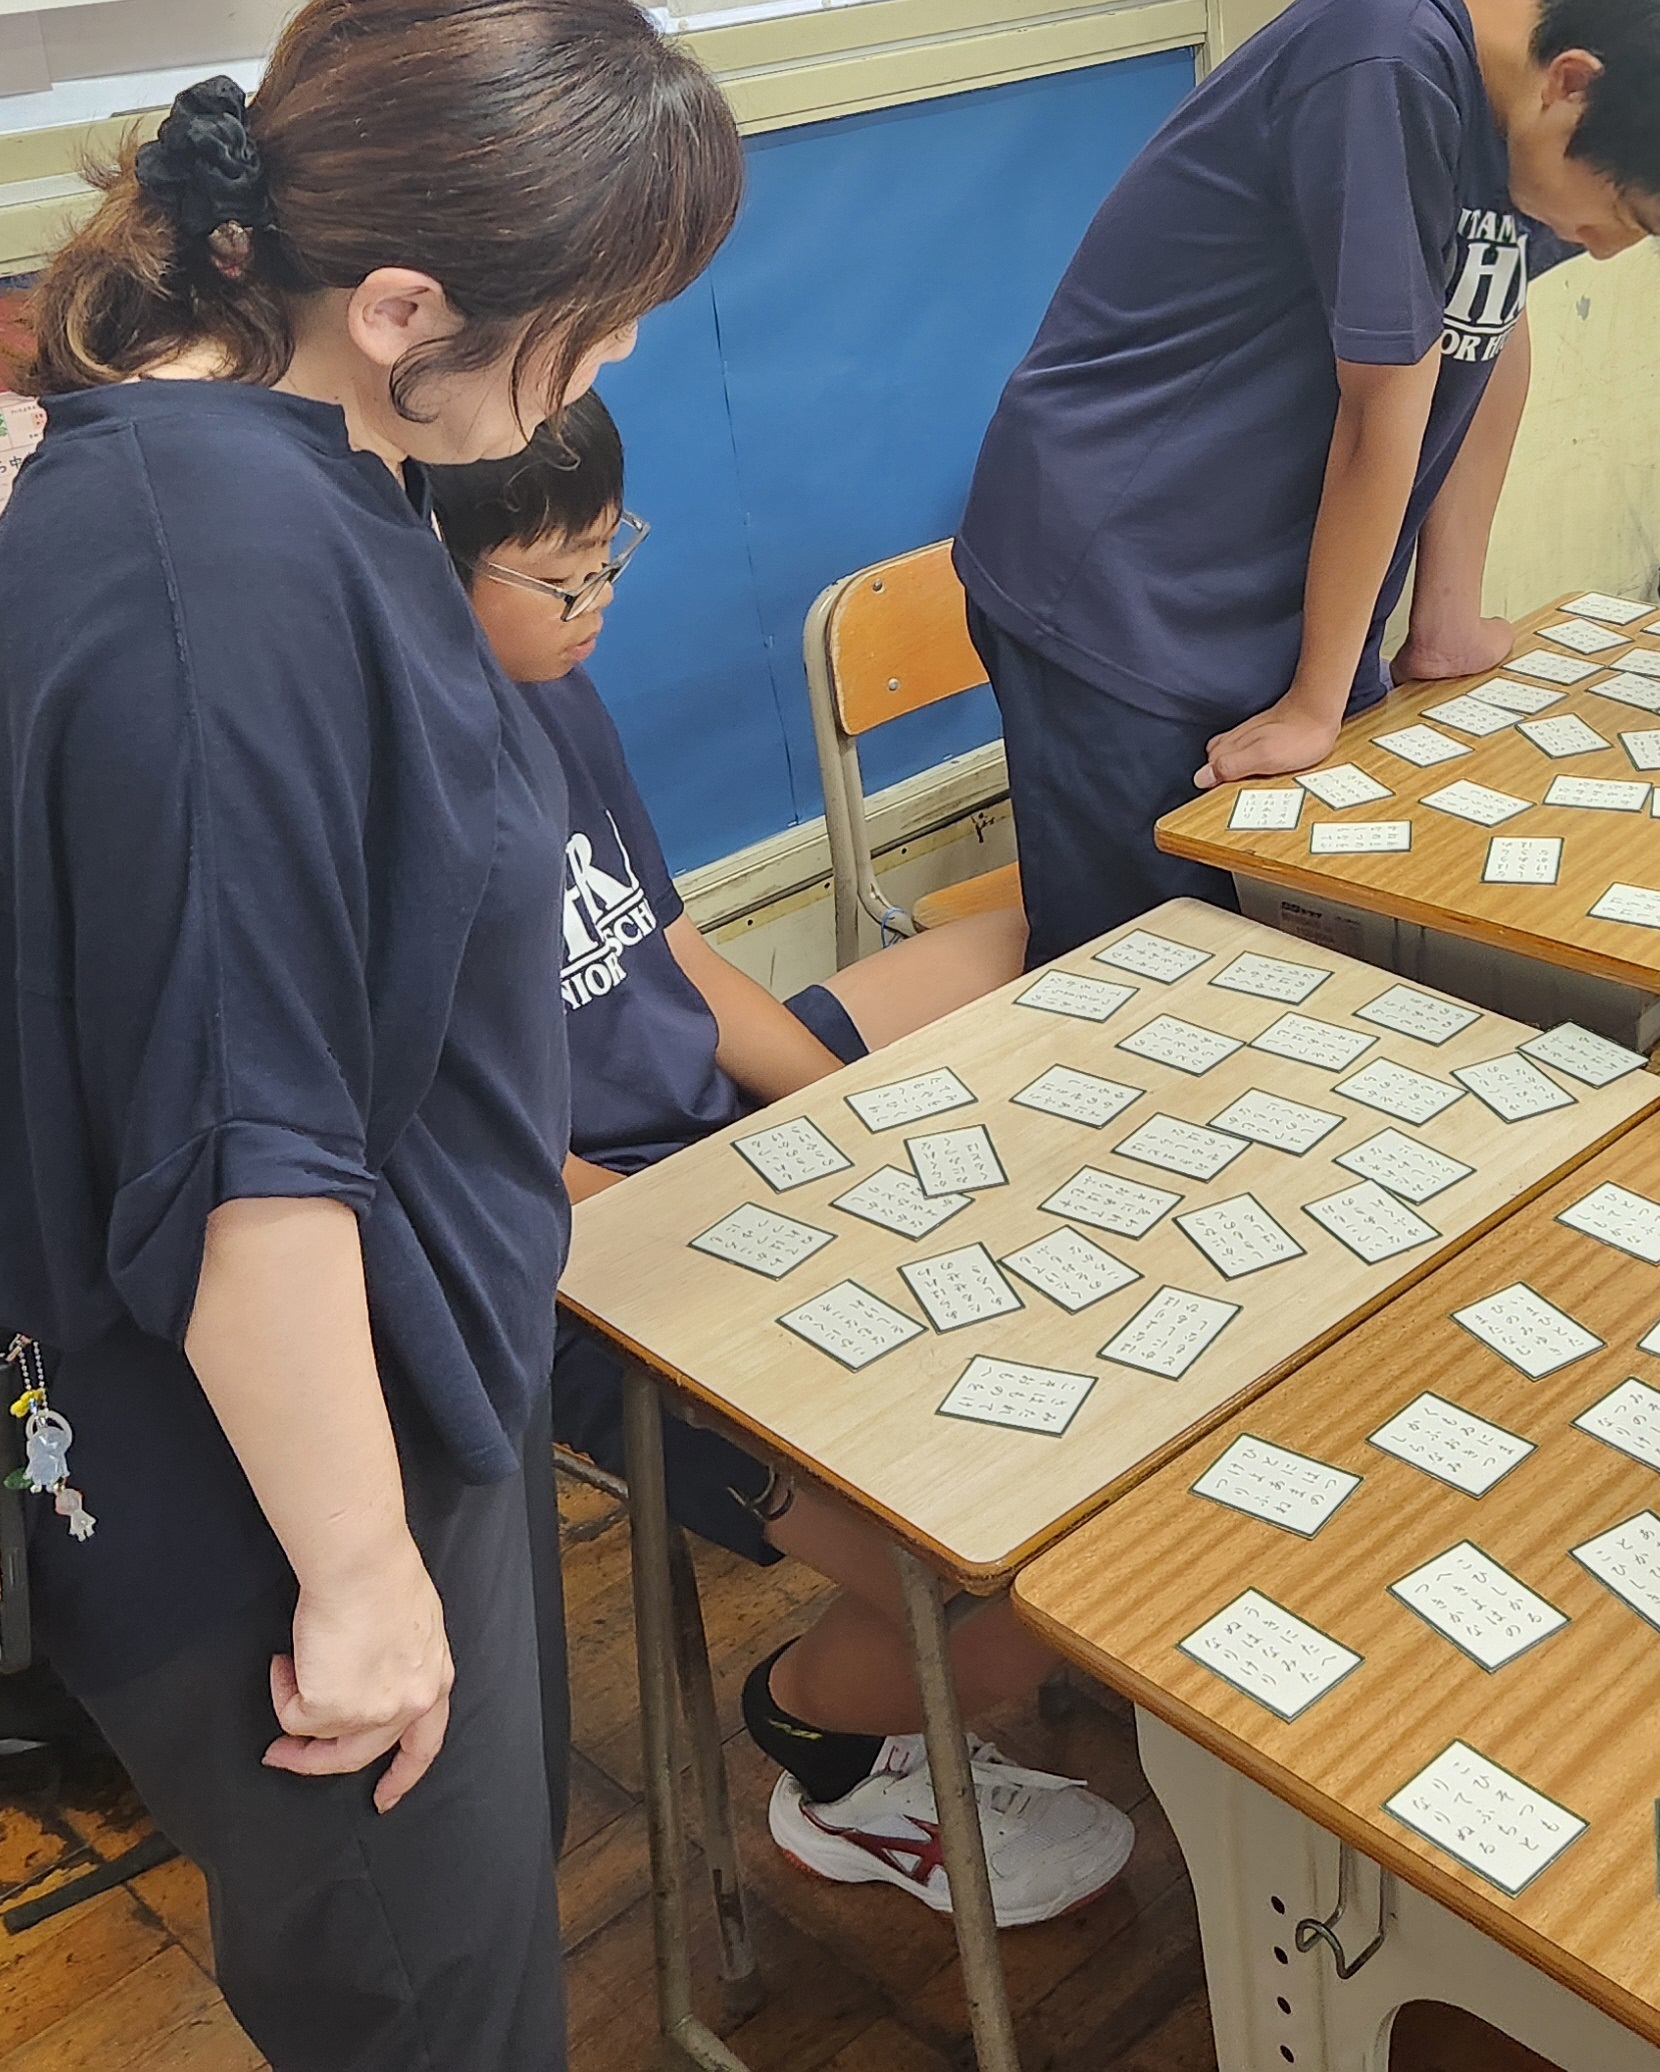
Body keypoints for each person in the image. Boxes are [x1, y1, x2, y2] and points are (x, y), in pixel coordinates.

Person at [0, 0, 746, 2072]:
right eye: (590, 329)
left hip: (398, 1387)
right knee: (427, 2006)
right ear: (398, 311)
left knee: (470, 1941)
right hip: (283, 1480)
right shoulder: (214, 581)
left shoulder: (290, 459)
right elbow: (243, 1167)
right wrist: (367, 1581)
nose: (610, 369)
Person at [423, 398, 1132, 1926]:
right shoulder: (383, 802)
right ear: (418, 572)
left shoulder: (554, 695)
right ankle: (823, 1741)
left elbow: (676, 963)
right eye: (561, 577)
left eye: (611, 559)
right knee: (1039, 1604)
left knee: (1045, 941)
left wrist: (845, 1126)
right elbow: (483, 1164)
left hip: (695, 1129)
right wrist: (768, 1217)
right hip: (583, 1262)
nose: (598, 603)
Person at [955, 0, 1660, 960]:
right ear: (1571, 86)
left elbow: (1490, 317)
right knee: (1150, 956)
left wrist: (1444, 615)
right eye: (1623, 214)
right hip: (1123, 574)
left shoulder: (1540, 37)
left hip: (1272, 575)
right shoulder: (1383, 61)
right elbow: (1384, 400)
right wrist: (1316, 700)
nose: (1609, 249)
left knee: (1292, 938)